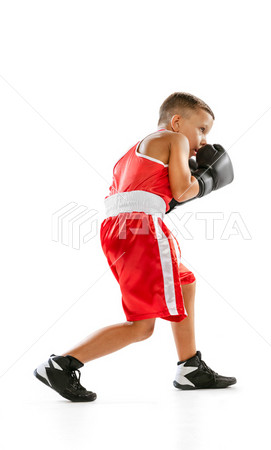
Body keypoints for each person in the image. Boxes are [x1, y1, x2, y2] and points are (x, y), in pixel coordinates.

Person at [33, 92, 237, 402]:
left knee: (184, 283)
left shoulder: (130, 155)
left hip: (117, 230)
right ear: (177, 121)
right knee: (141, 328)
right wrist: (207, 180)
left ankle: (190, 368)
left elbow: (148, 197)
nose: (205, 141)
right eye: (202, 129)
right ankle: (61, 365)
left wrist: (174, 193)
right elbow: (182, 191)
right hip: (142, 231)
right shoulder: (175, 139)